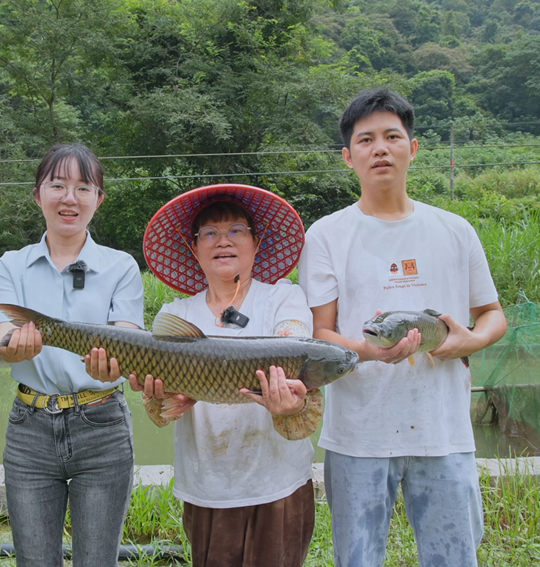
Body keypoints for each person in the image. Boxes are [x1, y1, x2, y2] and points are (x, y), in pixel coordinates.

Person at [297, 88, 508, 567]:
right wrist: (367, 352)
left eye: (392, 136)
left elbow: (493, 314)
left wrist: (470, 341)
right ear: (348, 157)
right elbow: (320, 334)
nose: (380, 148)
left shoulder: (455, 229)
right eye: (366, 139)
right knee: (358, 559)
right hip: (357, 436)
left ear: (412, 148)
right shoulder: (326, 234)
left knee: (454, 558)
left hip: (444, 430)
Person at [130, 183, 322, 567]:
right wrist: (159, 395)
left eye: (236, 230)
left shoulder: (284, 298)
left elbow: (294, 346)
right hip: (208, 487)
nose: (224, 241)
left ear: (256, 242)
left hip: (279, 484)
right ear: (194, 247)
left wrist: (289, 398)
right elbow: (159, 413)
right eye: (211, 233)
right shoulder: (176, 315)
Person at [0, 144, 144, 567]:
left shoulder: (121, 266)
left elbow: (127, 339)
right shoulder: (10, 266)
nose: (69, 198)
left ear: (99, 199)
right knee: (34, 560)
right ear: (38, 194)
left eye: (82, 187)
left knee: (97, 560)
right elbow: (5, 332)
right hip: (29, 428)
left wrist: (116, 360)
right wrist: (11, 342)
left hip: (103, 424)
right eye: (57, 185)